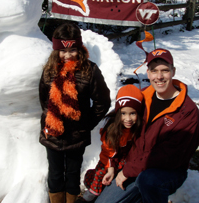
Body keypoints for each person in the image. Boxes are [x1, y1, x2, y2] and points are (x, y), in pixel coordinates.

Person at [95, 48, 199, 203]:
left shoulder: (187, 111)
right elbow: (117, 127)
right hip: (134, 166)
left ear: (173, 71)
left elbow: (169, 156)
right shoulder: (142, 96)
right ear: (148, 73)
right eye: (154, 71)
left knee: (148, 181)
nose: (159, 76)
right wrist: (113, 165)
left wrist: (128, 171)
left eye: (165, 70)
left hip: (165, 172)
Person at [39, 23, 111, 203]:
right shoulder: (49, 70)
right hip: (52, 134)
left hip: (76, 135)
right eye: (62, 50)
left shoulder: (89, 70)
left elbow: (103, 101)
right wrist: (52, 119)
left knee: (72, 172)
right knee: (54, 173)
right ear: (56, 50)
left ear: (79, 48)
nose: (67, 55)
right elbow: (44, 100)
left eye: (72, 50)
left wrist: (86, 123)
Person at [75, 85, 144, 203]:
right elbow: (108, 152)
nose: (128, 118)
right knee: (100, 176)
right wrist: (111, 168)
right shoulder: (113, 130)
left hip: (124, 162)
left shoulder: (138, 128)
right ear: (118, 113)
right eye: (123, 113)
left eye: (132, 113)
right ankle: (88, 197)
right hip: (108, 160)